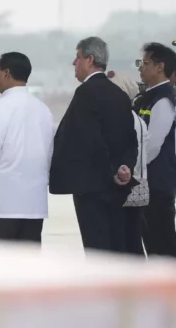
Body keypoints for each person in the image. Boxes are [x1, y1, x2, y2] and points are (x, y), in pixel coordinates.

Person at [49, 36, 138, 254]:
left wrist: (109, 172)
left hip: (91, 187)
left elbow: (89, 140)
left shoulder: (86, 93)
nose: (74, 63)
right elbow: (131, 138)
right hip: (117, 187)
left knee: (97, 250)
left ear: (89, 60)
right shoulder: (120, 95)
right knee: (116, 247)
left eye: (77, 57)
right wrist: (124, 167)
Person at [0, 52, 54, 244]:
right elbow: (48, 154)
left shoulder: (0, 107)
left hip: (3, 204)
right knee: (28, 265)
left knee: (0, 266)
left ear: (6, 73)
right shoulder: (43, 110)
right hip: (34, 203)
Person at [132, 42, 176, 258]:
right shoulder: (147, 97)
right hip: (146, 182)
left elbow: (153, 144)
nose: (141, 67)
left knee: (162, 243)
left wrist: (133, 168)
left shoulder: (164, 99)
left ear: (161, 66)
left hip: (157, 184)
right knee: (151, 240)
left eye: (145, 63)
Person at [108, 70, 150, 256]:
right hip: (139, 185)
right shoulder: (137, 118)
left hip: (127, 186)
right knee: (133, 239)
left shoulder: (123, 119)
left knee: (126, 242)